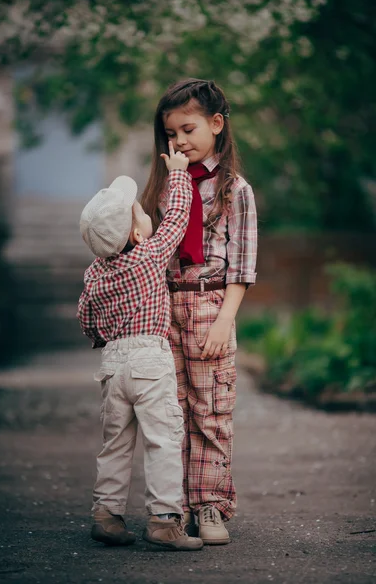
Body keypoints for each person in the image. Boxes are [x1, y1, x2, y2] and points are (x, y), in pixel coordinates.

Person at [141, 78, 258, 545]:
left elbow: (243, 266)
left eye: (188, 129)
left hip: (211, 303)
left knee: (211, 410)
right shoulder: (165, 186)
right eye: (171, 134)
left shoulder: (234, 189)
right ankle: (172, 508)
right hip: (164, 305)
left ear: (216, 124)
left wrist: (225, 320)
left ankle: (211, 507)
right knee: (170, 411)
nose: (180, 141)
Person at [77, 149, 203, 551]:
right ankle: (165, 520)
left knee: (115, 442)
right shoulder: (148, 256)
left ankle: (107, 515)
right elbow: (178, 220)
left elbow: (86, 319)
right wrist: (179, 175)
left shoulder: (95, 273)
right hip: (150, 358)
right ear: (136, 233)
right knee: (162, 438)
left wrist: (104, 333)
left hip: (113, 363)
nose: (148, 213)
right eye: (140, 211)